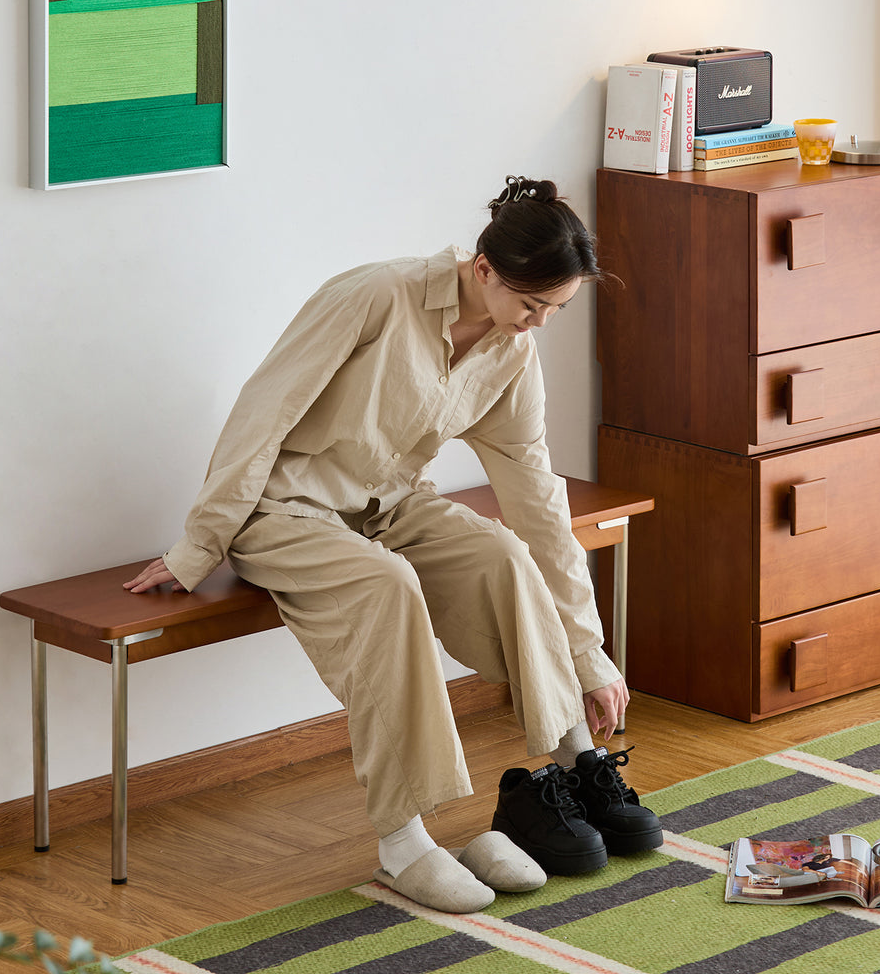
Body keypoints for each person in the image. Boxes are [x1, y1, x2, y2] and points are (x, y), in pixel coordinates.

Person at [124, 175, 662, 913]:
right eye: (531, 305)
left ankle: (579, 761)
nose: (537, 324)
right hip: (287, 511)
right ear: (483, 270)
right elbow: (262, 415)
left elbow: (537, 499)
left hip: (392, 504)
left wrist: (589, 653)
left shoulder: (510, 355)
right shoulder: (376, 296)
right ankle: (403, 840)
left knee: (503, 556)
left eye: (555, 311)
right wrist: (198, 547)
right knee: (389, 588)